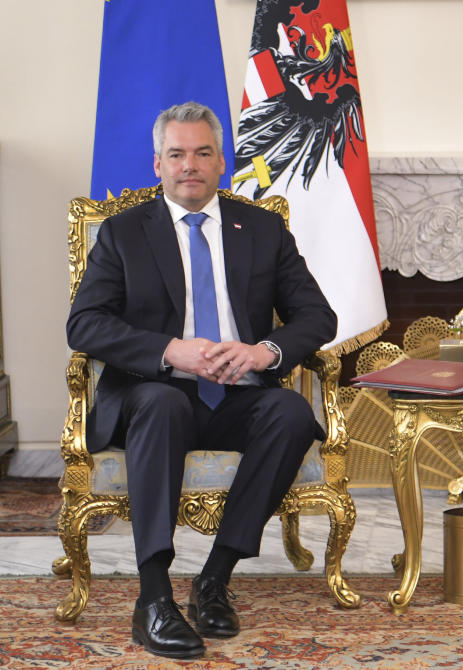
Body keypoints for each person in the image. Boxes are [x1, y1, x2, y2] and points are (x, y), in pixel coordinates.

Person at [66, 102, 337, 659]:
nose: (190, 165)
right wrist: (170, 351)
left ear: (221, 163)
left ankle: (214, 579)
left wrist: (265, 351)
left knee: (290, 414)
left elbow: (318, 317)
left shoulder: (261, 228)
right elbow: (84, 324)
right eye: (177, 154)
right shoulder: (122, 234)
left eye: (203, 153)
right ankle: (155, 598)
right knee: (163, 404)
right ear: (159, 164)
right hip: (154, 394)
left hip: (239, 393)